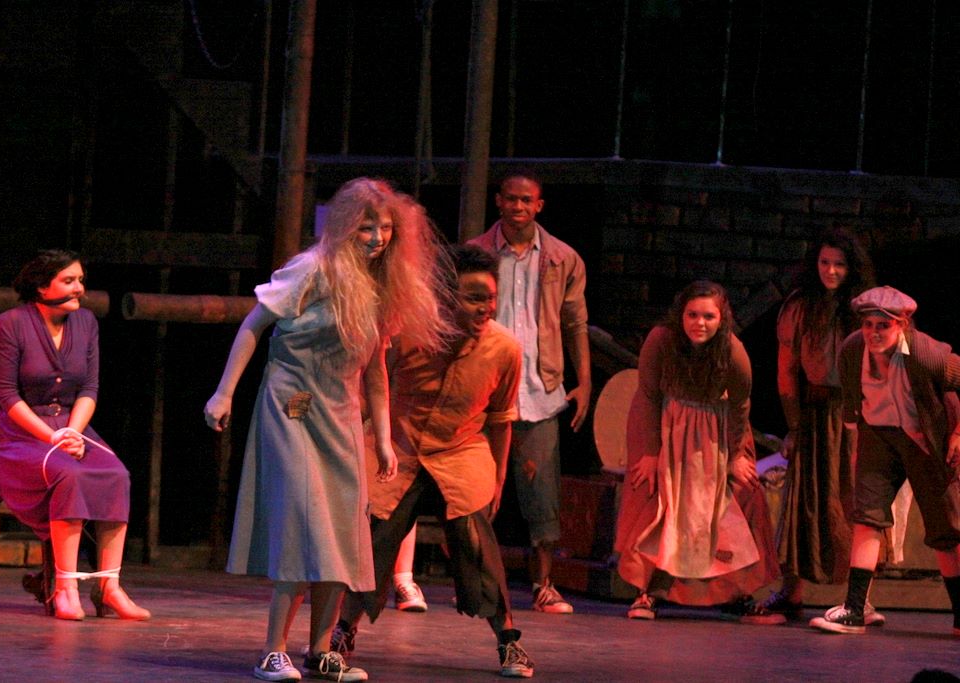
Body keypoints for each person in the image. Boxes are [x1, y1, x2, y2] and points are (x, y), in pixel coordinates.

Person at [204, 178, 452, 682]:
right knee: (303, 526)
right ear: (343, 226)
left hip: (340, 414)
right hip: (293, 405)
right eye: (366, 228)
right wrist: (224, 392)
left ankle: (320, 651)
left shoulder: (381, 283)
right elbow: (253, 325)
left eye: (385, 228)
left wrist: (384, 438)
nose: (377, 238)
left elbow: (376, 371)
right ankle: (272, 650)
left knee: (341, 532)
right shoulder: (312, 269)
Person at [330, 244, 535, 678]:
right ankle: (343, 631)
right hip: (399, 448)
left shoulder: (505, 349)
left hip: (460, 451)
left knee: (475, 538)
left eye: (490, 298)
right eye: (474, 297)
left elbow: (500, 420)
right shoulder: (408, 333)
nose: (485, 307)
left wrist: (498, 479)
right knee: (376, 537)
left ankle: (508, 640)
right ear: (446, 296)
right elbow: (373, 387)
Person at [0, 249, 149, 622]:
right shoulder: (11, 323)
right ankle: (65, 588)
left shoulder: (86, 323)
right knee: (69, 474)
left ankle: (109, 587)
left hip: (72, 427)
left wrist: (72, 433)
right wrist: (53, 438)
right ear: (41, 286)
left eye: (80, 280)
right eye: (69, 280)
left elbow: (89, 389)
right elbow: (7, 396)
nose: (79, 288)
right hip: (22, 431)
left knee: (116, 474)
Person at [614, 280, 782, 623]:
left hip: (716, 433)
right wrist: (651, 452)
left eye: (708, 316)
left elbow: (740, 405)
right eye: (692, 315)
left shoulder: (733, 351)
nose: (699, 323)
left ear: (722, 318)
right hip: (667, 426)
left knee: (741, 498)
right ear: (681, 314)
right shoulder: (661, 341)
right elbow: (648, 395)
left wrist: (736, 456)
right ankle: (647, 592)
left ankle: (737, 594)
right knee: (657, 498)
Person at [468, 171, 590, 614]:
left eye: (527, 200)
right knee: (476, 488)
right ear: (498, 201)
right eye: (511, 199)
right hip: (485, 390)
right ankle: (476, 581)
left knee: (542, 493)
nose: (518, 207)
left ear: (539, 205)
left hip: (539, 389)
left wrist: (585, 381)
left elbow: (575, 322)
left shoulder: (561, 258)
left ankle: (544, 584)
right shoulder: (476, 254)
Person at [810, 286, 960, 635]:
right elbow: (852, 399)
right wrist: (855, 448)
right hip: (878, 435)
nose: (874, 332)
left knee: (945, 529)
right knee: (867, 516)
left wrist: (957, 433)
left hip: (925, 440)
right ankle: (854, 609)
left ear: (902, 324)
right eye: (868, 324)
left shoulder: (925, 353)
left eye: (883, 325)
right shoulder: (852, 349)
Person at [765, 227, 882, 623]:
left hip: (857, 416)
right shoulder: (800, 307)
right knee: (804, 503)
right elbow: (787, 370)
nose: (831, 271)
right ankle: (791, 591)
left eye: (840, 264)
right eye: (825, 262)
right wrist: (794, 425)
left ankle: (860, 600)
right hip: (815, 415)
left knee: (857, 503)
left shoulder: (865, 310)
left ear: (852, 268)